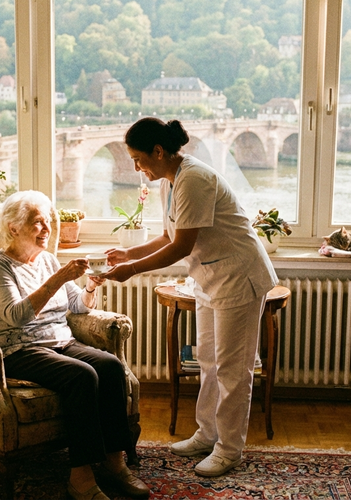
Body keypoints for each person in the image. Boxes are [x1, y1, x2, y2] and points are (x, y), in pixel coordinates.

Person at [103, 117, 278, 478]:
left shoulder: (195, 179)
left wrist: (131, 272)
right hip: (211, 277)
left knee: (234, 370)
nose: (136, 167)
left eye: (138, 158)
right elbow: (171, 235)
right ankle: (207, 434)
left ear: (159, 151)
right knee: (209, 361)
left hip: (239, 278)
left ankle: (229, 450)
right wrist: (129, 254)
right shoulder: (171, 180)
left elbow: (180, 247)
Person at [0, 190, 149, 500]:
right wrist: (58, 279)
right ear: (14, 228)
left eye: (47, 222)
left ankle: (114, 462)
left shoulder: (47, 260)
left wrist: (90, 286)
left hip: (59, 341)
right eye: (37, 223)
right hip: (19, 349)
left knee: (110, 367)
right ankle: (80, 477)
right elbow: (16, 317)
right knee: (82, 376)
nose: (46, 229)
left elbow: (78, 306)